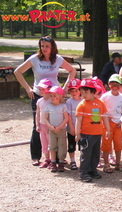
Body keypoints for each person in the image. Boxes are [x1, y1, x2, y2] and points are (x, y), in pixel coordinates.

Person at [14, 36, 76, 166]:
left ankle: (58, 156)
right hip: (39, 95)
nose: (44, 48)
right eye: (42, 46)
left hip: (55, 96)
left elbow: (72, 70)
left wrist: (65, 87)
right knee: (39, 125)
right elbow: (17, 72)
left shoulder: (58, 59)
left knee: (57, 124)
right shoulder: (34, 59)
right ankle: (36, 156)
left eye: (47, 46)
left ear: (52, 47)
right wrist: (28, 88)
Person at [75, 78, 110, 182]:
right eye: (81, 92)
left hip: (97, 133)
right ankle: (83, 172)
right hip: (86, 134)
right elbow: (78, 120)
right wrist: (77, 134)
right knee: (86, 153)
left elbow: (104, 117)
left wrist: (108, 130)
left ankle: (92, 170)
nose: (83, 95)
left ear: (93, 92)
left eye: (86, 92)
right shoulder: (81, 105)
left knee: (95, 153)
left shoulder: (100, 103)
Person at [100, 74, 122, 173]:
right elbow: (102, 110)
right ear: (108, 85)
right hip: (107, 123)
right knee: (106, 143)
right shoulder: (105, 96)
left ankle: (118, 163)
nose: (115, 87)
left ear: (121, 86)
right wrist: (106, 121)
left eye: (117, 85)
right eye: (112, 85)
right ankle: (106, 164)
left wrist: (121, 121)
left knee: (118, 143)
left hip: (118, 124)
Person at [44, 86, 69, 173]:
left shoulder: (63, 106)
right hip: (52, 130)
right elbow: (45, 118)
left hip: (61, 130)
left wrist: (60, 127)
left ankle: (61, 162)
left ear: (60, 96)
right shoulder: (48, 106)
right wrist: (50, 126)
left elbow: (66, 118)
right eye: (51, 95)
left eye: (55, 95)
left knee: (62, 146)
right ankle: (53, 162)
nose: (52, 98)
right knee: (52, 146)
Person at [66, 78, 82, 170]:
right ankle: (72, 161)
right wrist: (71, 128)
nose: (74, 92)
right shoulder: (69, 102)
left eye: (76, 90)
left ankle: (81, 161)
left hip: (81, 129)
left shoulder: (83, 101)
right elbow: (68, 115)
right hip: (71, 127)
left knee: (82, 145)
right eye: (72, 91)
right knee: (71, 145)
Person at [35, 78, 52, 168]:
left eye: (43, 89)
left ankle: (53, 160)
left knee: (51, 143)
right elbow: (37, 113)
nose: (41, 91)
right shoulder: (39, 101)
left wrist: (50, 125)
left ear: (49, 89)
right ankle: (46, 159)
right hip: (41, 125)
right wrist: (37, 124)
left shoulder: (52, 101)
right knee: (44, 143)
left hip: (49, 126)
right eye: (40, 89)